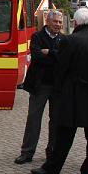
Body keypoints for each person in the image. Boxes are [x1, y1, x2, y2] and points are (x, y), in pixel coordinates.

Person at [31, 7, 88, 174]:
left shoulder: (70, 40)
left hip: (74, 95)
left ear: (75, 22)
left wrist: (59, 91)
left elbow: (61, 69)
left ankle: (53, 168)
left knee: (65, 133)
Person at [15, 9, 64, 164]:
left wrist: (48, 52)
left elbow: (65, 59)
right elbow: (36, 56)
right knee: (34, 118)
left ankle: (52, 152)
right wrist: (55, 56)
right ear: (47, 22)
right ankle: (27, 152)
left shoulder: (64, 39)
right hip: (39, 85)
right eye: (55, 21)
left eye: (60, 22)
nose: (58, 25)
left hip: (57, 86)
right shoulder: (37, 36)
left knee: (56, 120)